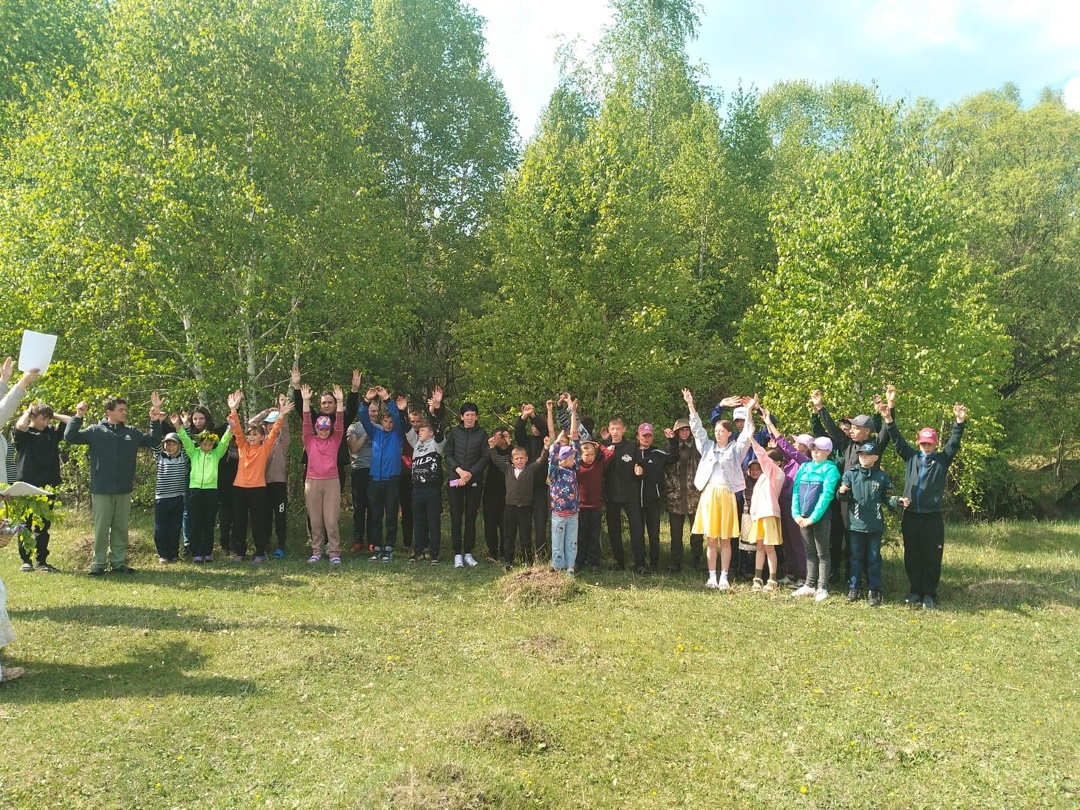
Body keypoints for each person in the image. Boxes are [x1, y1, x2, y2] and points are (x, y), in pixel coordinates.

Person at [878, 395, 967, 609]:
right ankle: (915, 591)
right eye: (923, 443)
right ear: (919, 443)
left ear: (935, 444)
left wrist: (959, 422)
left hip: (932, 517)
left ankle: (929, 593)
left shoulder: (942, 460)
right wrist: (888, 419)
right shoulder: (911, 457)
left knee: (931, 556)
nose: (926, 447)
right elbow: (897, 440)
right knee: (912, 556)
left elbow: (954, 444)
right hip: (911, 515)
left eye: (929, 444)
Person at [65, 392, 165, 575]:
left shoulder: (131, 432)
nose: (125, 412)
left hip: (124, 488)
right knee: (101, 528)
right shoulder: (95, 431)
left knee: (121, 527)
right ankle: (98, 564)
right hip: (102, 488)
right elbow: (70, 437)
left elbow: (154, 441)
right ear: (109, 412)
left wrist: (154, 420)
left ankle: (118, 563)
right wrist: (78, 415)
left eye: (125, 409)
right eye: (121, 410)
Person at [683, 389, 755, 590]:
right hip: (709, 495)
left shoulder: (736, 449)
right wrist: (691, 405)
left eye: (721, 431)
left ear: (729, 433)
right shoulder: (707, 447)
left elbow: (747, 434)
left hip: (726, 494)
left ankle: (724, 576)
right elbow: (697, 429)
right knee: (712, 539)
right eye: (716, 431)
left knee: (725, 540)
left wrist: (749, 411)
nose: (718, 433)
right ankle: (711, 576)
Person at [226, 390, 292, 563]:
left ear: (262, 436)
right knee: (239, 522)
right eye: (250, 435)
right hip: (239, 488)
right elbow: (237, 430)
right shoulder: (242, 446)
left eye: (255, 435)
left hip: (257, 489)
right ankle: (240, 553)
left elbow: (275, 431)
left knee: (258, 522)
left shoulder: (264, 448)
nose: (252, 437)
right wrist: (233, 409)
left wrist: (281, 414)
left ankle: (260, 552)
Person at [171, 409, 236, 564]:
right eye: (204, 443)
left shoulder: (216, 454)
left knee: (208, 521)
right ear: (199, 443)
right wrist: (178, 426)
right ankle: (196, 552)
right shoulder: (193, 453)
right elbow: (185, 440)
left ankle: (207, 552)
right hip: (194, 490)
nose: (207, 446)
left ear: (213, 444)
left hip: (211, 491)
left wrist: (231, 428)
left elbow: (225, 441)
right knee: (194, 521)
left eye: (210, 444)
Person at [13, 397, 69, 572]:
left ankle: (41, 561)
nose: (45, 422)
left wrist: (52, 414)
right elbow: (20, 425)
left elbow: (71, 421)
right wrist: (28, 411)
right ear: (33, 417)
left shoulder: (52, 434)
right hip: (27, 484)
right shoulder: (25, 434)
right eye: (42, 419)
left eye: (48, 419)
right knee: (25, 524)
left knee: (44, 525)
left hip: (48, 485)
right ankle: (26, 560)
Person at [837, 442, 894, 607]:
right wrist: (841, 492)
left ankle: (874, 590)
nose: (864, 457)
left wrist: (897, 501)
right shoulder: (850, 475)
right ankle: (854, 587)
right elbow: (842, 497)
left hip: (875, 524)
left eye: (868, 455)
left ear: (875, 457)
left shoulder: (882, 477)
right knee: (855, 557)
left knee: (874, 558)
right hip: (856, 524)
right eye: (861, 454)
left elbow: (887, 497)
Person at [356, 385, 405, 561]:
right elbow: (363, 417)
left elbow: (398, 416)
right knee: (375, 515)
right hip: (375, 479)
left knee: (391, 515)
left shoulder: (398, 434)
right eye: (386, 421)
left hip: (392, 479)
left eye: (391, 422)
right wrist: (366, 400)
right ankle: (377, 547)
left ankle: (389, 547)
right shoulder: (375, 433)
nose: (388, 424)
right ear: (382, 421)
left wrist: (386, 398)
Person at [791, 436, 841, 601]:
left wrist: (812, 518)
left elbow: (826, 496)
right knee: (809, 552)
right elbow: (796, 491)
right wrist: (796, 514)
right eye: (813, 449)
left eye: (819, 449)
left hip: (820, 517)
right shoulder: (804, 467)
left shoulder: (831, 469)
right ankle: (809, 585)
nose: (815, 452)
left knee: (822, 553)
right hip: (802, 517)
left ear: (828, 452)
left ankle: (822, 587)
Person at [300, 384, 345, 564]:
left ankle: (334, 552)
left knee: (331, 520)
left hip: (331, 482)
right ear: (316, 428)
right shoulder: (309, 440)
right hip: (312, 482)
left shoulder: (335, 440)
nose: (324, 431)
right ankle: (316, 551)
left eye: (327, 429)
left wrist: (340, 402)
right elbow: (306, 421)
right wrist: (305, 401)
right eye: (321, 428)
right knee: (315, 520)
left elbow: (340, 423)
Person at [488, 435, 547, 570]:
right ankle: (508, 559)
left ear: (526, 459)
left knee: (525, 535)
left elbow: (541, 460)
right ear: (512, 460)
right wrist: (491, 447)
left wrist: (546, 447)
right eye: (516, 458)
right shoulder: (507, 469)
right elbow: (496, 460)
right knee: (508, 535)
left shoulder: (530, 469)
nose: (519, 460)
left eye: (521, 458)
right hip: (510, 508)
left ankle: (527, 558)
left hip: (525, 509)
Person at [445, 401, 489, 568]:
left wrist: (470, 473)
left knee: (470, 517)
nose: (470, 417)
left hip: (474, 480)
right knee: (456, 517)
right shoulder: (454, 432)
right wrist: (460, 471)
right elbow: (448, 454)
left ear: (476, 417)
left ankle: (468, 552)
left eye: (473, 415)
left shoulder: (482, 434)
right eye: (467, 415)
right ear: (461, 416)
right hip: (456, 479)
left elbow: (485, 457)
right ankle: (457, 553)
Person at [629, 422, 676, 574]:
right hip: (634, 501)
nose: (646, 438)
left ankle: (654, 563)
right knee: (637, 534)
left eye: (649, 436)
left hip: (653, 501)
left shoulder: (657, 454)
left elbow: (674, 457)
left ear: (653, 437)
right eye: (644, 436)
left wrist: (672, 440)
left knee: (654, 534)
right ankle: (639, 564)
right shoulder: (632, 453)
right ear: (638, 436)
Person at [407, 391, 447, 563]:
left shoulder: (438, 443)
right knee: (418, 521)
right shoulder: (416, 443)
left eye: (422, 430)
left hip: (432, 489)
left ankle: (434, 552)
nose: (419, 432)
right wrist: (401, 410)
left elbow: (437, 427)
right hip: (417, 489)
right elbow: (406, 428)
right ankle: (419, 550)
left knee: (433, 521)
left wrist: (434, 410)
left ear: (430, 433)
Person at [248, 404, 290, 558]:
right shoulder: (261, 441)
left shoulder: (283, 440)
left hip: (278, 482)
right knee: (264, 515)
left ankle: (281, 544)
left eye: (275, 423)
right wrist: (267, 412)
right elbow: (251, 423)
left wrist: (281, 413)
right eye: (269, 424)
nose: (272, 426)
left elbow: (284, 426)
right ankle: (265, 544)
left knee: (280, 515)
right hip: (262, 483)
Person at [746, 434, 787, 591]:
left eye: (769, 461)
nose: (765, 464)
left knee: (769, 548)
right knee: (760, 547)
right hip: (759, 515)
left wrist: (752, 440)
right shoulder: (765, 476)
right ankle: (757, 578)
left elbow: (763, 458)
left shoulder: (777, 473)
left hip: (769, 514)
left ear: (778, 463)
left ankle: (772, 579)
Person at [664, 418, 702, 572]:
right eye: (681, 430)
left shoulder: (698, 446)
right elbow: (664, 471)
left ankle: (697, 559)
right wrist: (669, 490)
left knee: (697, 530)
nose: (684, 433)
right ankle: (676, 562)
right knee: (675, 532)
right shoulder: (669, 447)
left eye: (687, 429)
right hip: (675, 496)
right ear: (676, 432)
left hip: (694, 496)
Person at [514, 402, 550, 559]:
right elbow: (518, 431)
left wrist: (533, 415)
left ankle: (541, 555)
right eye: (533, 425)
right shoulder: (525, 441)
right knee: (524, 523)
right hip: (525, 488)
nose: (536, 428)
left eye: (537, 425)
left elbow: (544, 429)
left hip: (541, 488)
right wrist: (524, 416)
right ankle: (525, 555)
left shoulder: (546, 441)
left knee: (541, 522)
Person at [575, 439, 613, 574]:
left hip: (595, 506)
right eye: (587, 455)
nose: (590, 457)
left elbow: (610, 454)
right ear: (581, 455)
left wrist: (600, 446)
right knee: (580, 535)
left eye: (592, 454)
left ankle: (594, 563)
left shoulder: (599, 464)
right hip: (580, 506)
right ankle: (579, 560)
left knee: (594, 535)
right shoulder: (577, 466)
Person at [547, 431, 581, 575]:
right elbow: (552, 458)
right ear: (565, 458)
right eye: (571, 458)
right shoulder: (555, 472)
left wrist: (575, 441)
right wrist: (556, 442)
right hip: (559, 514)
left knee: (572, 542)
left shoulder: (572, 469)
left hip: (573, 514)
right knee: (558, 543)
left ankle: (570, 567)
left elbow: (578, 456)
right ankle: (558, 566)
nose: (574, 460)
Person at [152, 433, 188, 563]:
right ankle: (163, 554)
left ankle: (174, 554)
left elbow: (186, 440)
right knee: (161, 527)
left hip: (178, 498)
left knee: (175, 527)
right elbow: (155, 442)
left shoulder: (183, 456)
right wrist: (156, 423)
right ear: (164, 445)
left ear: (179, 446)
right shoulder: (160, 456)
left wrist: (184, 426)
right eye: (168, 444)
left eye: (174, 444)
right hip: (162, 498)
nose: (171, 447)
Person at [347, 401, 376, 553]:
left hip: (375, 471)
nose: (375, 414)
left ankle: (372, 541)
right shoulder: (354, 428)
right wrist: (366, 433)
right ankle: (358, 540)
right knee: (359, 507)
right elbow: (354, 449)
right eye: (372, 411)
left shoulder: (380, 428)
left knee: (373, 507)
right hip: (359, 470)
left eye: (376, 411)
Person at [483, 426, 511, 560]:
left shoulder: (512, 451)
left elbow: (514, 461)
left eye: (504, 436)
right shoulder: (490, 450)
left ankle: (505, 551)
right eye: (498, 436)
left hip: (507, 492)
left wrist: (509, 443)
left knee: (505, 524)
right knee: (490, 523)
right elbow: (485, 462)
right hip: (491, 492)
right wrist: (491, 447)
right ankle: (492, 551)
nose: (501, 439)